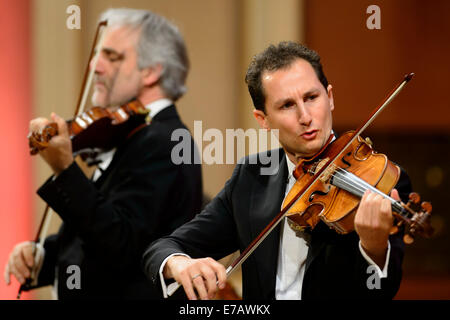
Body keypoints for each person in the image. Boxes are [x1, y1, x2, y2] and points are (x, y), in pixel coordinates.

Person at [142, 41, 412, 300]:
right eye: (287, 105)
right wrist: (177, 264)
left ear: (329, 97)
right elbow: (162, 248)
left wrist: (374, 248)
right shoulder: (251, 178)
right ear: (263, 120)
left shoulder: (382, 180)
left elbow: (378, 294)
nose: (305, 117)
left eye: (311, 97)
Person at [4, 8, 202, 299]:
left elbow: (122, 245)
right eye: (99, 54)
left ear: (151, 71)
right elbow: (102, 226)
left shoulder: (166, 141)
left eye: (112, 57)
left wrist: (65, 171)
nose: (95, 65)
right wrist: (45, 256)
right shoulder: (131, 135)